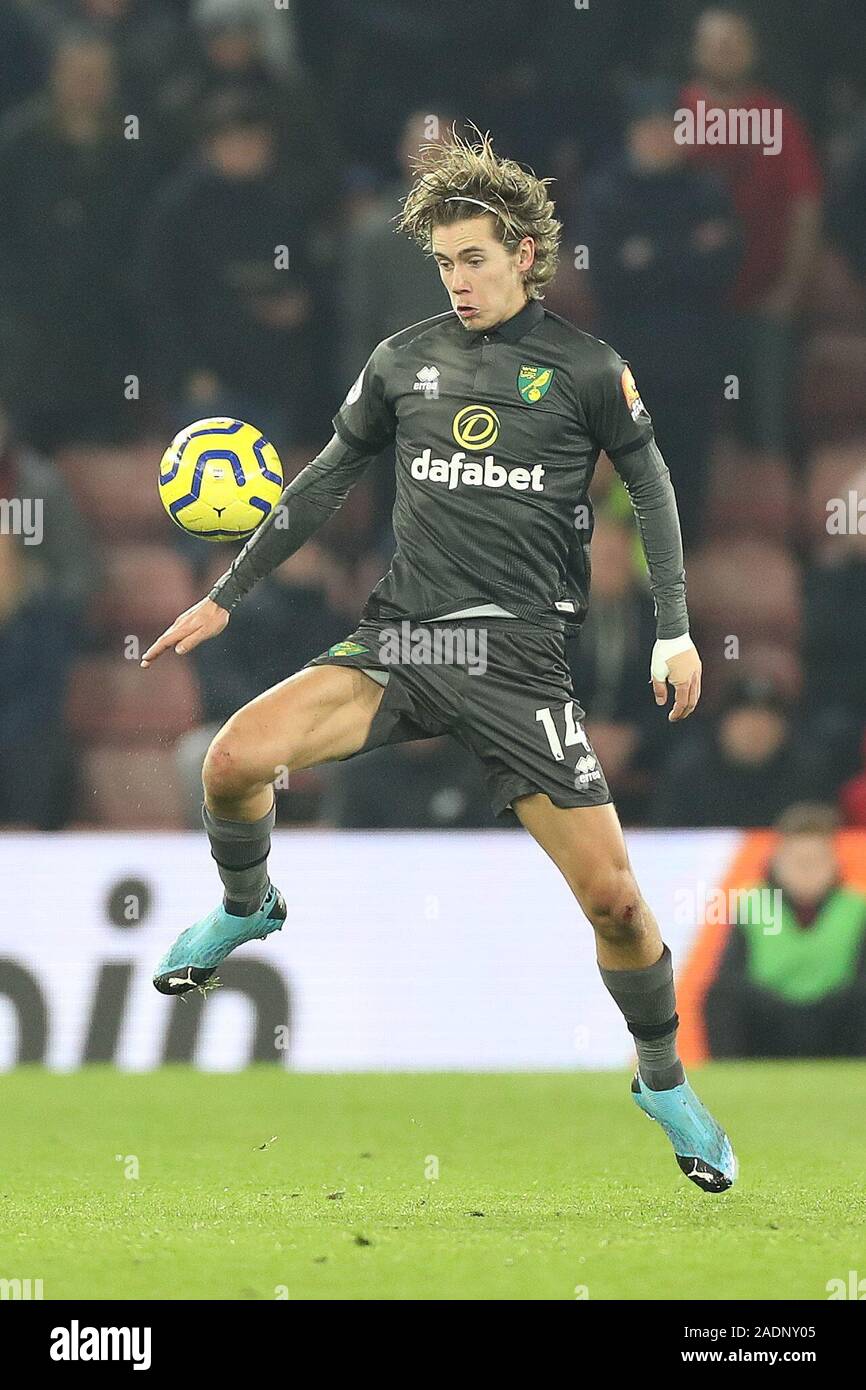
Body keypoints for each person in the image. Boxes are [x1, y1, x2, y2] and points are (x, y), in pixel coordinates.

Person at [141, 129, 735, 1194]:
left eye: (472, 259)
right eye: (443, 263)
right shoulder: (400, 361)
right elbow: (321, 482)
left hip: (516, 666)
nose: (456, 281)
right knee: (231, 761)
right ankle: (248, 904)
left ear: (521, 253)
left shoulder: (586, 370)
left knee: (616, 906)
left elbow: (651, 489)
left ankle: (659, 1078)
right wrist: (227, 595)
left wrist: (674, 624)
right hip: (406, 641)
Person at [704, 804, 866, 1057]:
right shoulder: (753, 904)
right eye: (797, 861)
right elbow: (730, 976)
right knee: (723, 996)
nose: (807, 871)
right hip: (771, 1020)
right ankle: (731, 1074)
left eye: (816, 861)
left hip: (836, 1021)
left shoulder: (857, 907)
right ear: (776, 861)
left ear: (834, 863)